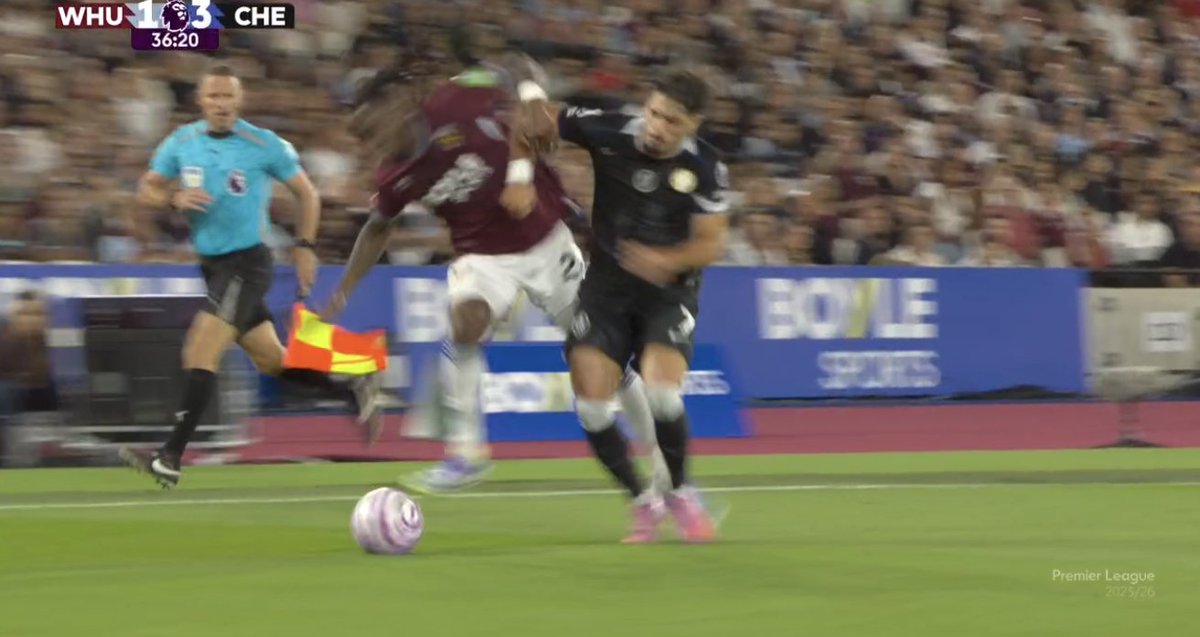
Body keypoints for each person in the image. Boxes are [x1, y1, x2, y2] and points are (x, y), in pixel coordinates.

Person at [321, 51, 668, 495]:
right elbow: (377, 229)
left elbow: (521, 64)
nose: (373, 145)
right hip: (481, 258)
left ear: (399, 104)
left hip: (545, 241)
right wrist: (347, 286)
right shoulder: (395, 176)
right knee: (466, 321)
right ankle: (465, 456)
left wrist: (531, 100)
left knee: (605, 356)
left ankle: (662, 455)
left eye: (373, 130)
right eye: (363, 139)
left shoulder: (460, 92)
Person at [119, 64, 384, 489]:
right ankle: (350, 383)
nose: (221, 104)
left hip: (247, 263)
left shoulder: (263, 144)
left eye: (228, 97)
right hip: (212, 266)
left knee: (198, 352)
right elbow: (146, 188)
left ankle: (169, 458)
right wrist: (173, 196)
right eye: (214, 97)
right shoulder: (181, 142)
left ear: (239, 101)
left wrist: (304, 247)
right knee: (270, 359)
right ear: (201, 101)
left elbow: (307, 193)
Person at [507, 68, 730, 543]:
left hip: (667, 294)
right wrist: (521, 175)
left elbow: (711, 244)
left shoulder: (707, 167)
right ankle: (641, 501)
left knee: (663, 393)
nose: (655, 126)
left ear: (693, 123)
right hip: (606, 291)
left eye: (671, 121)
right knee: (590, 407)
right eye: (653, 112)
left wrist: (665, 260)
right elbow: (530, 122)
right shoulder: (607, 129)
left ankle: (681, 491)